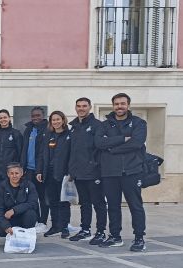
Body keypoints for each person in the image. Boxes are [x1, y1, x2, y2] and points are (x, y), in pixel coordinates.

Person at [95, 93, 147, 251]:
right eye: (116, 104)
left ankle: (139, 238)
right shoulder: (104, 125)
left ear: (128, 105)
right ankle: (115, 236)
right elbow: (99, 143)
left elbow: (137, 143)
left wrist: (111, 149)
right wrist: (123, 139)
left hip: (131, 171)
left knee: (135, 206)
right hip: (110, 172)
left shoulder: (138, 123)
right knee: (113, 206)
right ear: (113, 106)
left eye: (122, 104)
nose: (119, 106)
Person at [68, 98, 107, 244]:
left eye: (84, 106)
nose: (81, 108)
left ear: (90, 107)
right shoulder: (74, 127)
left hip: (94, 172)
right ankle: (85, 230)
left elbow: (101, 148)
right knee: (84, 203)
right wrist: (71, 170)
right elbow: (72, 150)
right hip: (78, 173)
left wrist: (95, 165)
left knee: (98, 203)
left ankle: (101, 232)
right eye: (78, 106)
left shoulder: (97, 125)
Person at [37, 111, 72, 238]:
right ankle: (55, 226)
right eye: (53, 120)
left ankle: (64, 227)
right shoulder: (48, 136)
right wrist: (39, 171)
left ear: (63, 120)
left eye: (58, 119)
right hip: (49, 173)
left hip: (63, 173)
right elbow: (41, 154)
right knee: (52, 201)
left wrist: (70, 173)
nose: (56, 122)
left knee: (63, 201)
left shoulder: (69, 135)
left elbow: (72, 155)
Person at [21, 106, 49, 231]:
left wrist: (41, 170)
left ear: (43, 116)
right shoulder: (28, 129)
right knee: (32, 197)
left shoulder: (47, 129)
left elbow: (44, 152)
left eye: (38, 115)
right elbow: (24, 150)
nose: (35, 118)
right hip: (29, 170)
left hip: (40, 170)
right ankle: (36, 220)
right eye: (33, 116)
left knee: (43, 197)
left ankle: (43, 221)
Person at [0, 163, 39, 238]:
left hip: (24, 217)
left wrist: (14, 210)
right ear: (8, 174)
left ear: (21, 174)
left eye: (17, 173)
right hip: (9, 219)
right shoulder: (2, 187)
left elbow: (33, 203)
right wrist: (6, 226)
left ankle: (26, 236)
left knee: (31, 213)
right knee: (0, 230)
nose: (14, 176)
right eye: (11, 173)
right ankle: (12, 236)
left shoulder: (29, 185)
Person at [0, 109, 23, 182]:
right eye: (0, 118)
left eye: (5, 117)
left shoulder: (16, 133)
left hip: (11, 173)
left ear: (9, 118)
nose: (3, 120)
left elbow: (20, 153)